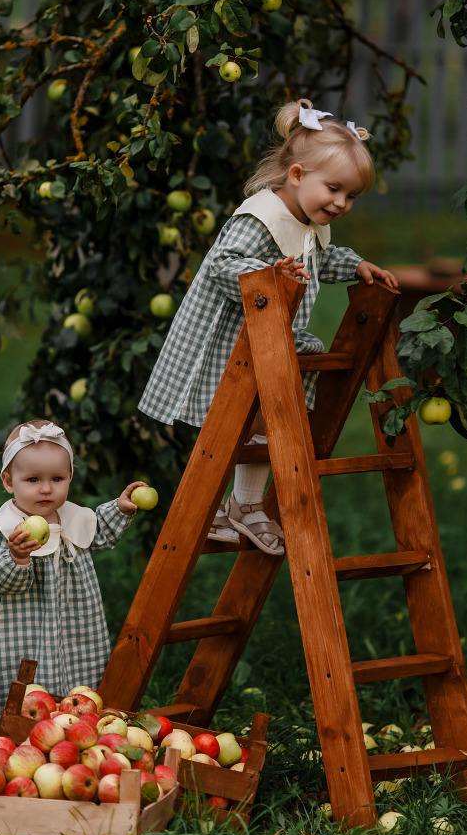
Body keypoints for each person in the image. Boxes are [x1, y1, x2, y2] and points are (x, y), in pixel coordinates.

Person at [139, 99, 398, 556]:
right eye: (334, 189)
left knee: (265, 421)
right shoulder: (261, 215)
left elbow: (317, 261)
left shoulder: (308, 220)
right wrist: (268, 274)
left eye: (351, 196)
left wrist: (356, 265)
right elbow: (223, 263)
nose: (341, 203)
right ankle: (223, 507)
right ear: (296, 176)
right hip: (230, 339)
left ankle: (241, 505)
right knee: (238, 422)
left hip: (273, 337)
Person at [0, 418, 147, 745]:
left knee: (68, 671)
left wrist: (120, 507)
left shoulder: (70, 516)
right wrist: (18, 557)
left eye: (57, 478)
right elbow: (4, 581)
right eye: (33, 479)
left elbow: (97, 530)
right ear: (8, 481)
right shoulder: (10, 530)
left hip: (64, 619)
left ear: (70, 476)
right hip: (8, 624)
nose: (46, 489)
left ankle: (62, 730)